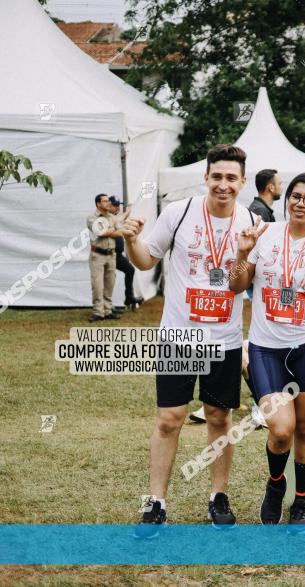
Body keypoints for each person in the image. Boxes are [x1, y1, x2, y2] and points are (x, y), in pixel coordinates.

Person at [122, 144, 256, 537]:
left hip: (225, 337)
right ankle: (157, 503)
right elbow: (146, 259)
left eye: (232, 178)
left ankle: (218, 496)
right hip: (179, 336)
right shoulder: (178, 214)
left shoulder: (250, 219)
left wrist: (243, 255)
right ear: (206, 178)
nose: (224, 184)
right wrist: (131, 239)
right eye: (217, 176)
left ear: (243, 182)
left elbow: (240, 286)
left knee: (219, 417)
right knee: (169, 419)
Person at [228, 172, 305, 530]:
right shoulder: (265, 236)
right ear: (286, 199)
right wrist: (243, 253)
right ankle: (276, 485)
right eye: (296, 195)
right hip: (267, 348)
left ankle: (300, 503)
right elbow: (236, 285)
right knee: (281, 429)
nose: (301, 203)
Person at [87, 193, 123, 322]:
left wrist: (108, 230)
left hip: (111, 255)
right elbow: (100, 232)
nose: (108, 203)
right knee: (97, 285)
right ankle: (98, 312)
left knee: (110, 284)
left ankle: (107, 311)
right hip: (97, 255)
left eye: (109, 201)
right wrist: (110, 230)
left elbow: (120, 233)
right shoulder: (91, 217)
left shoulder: (112, 217)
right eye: (105, 201)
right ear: (98, 204)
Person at [108, 196, 143, 311]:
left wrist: (128, 211)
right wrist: (127, 212)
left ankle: (129, 297)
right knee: (108, 280)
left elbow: (121, 219)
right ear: (110, 206)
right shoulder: (106, 219)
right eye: (115, 205)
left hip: (117, 254)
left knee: (129, 270)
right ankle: (107, 306)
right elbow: (119, 221)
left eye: (119, 205)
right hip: (109, 254)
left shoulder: (114, 218)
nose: (118, 207)